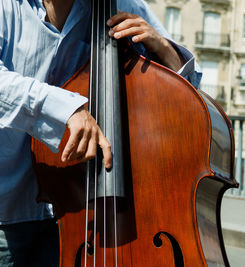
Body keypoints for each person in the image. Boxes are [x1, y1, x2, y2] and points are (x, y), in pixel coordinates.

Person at [0, 0, 202, 266]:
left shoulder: (122, 4)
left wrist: (165, 49)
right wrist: (66, 109)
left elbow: (188, 94)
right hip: (6, 209)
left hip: (81, 216)